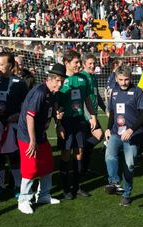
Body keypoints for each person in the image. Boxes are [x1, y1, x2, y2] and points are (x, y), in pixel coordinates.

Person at [17, 63, 66, 214]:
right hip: (28, 136)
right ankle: (23, 200)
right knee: (30, 169)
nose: (60, 83)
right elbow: (29, 117)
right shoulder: (39, 92)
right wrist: (32, 140)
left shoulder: (51, 93)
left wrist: (57, 118)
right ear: (50, 79)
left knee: (47, 165)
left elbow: (48, 111)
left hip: (40, 135)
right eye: (58, 80)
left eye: (62, 80)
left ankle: (43, 195)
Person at [55, 50, 97, 199]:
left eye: (79, 62)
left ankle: (77, 186)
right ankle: (66, 189)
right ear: (66, 63)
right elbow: (55, 104)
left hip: (79, 120)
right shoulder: (60, 80)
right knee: (66, 153)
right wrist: (58, 122)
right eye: (76, 62)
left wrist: (92, 116)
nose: (79, 65)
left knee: (79, 153)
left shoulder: (83, 79)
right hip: (65, 121)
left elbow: (87, 99)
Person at [0, 51, 28, 198]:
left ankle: (17, 185)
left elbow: (27, 105)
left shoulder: (20, 83)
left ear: (10, 66)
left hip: (12, 127)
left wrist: (18, 116)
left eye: (1, 64)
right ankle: (0, 184)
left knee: (14, 157)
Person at [104, 65, 143, 206]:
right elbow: (112, 112)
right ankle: (114, 182)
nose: (123, 82)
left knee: (129, 165)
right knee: (109, 155)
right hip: (116, 133)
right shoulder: (114, 91)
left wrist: (131, 129)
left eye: (126, 79)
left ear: (131, 78)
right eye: (121, 79)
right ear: (116, 78)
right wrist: (108, 128)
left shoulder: (137, 92)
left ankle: (126, 194)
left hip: (132, 135)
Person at [80, 54, 106, 176]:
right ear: (84, 63)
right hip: (86, 116)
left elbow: (97, 96)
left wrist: (105, 108)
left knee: (93, 139)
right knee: (98, 135)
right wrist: (90, 117)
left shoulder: (93, 77)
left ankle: (84, 166)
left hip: (93, 114)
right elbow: (83, 99)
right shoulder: (82, 77)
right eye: (90, 63)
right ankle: (81, 168)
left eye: (94, 63)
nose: (92, 65)